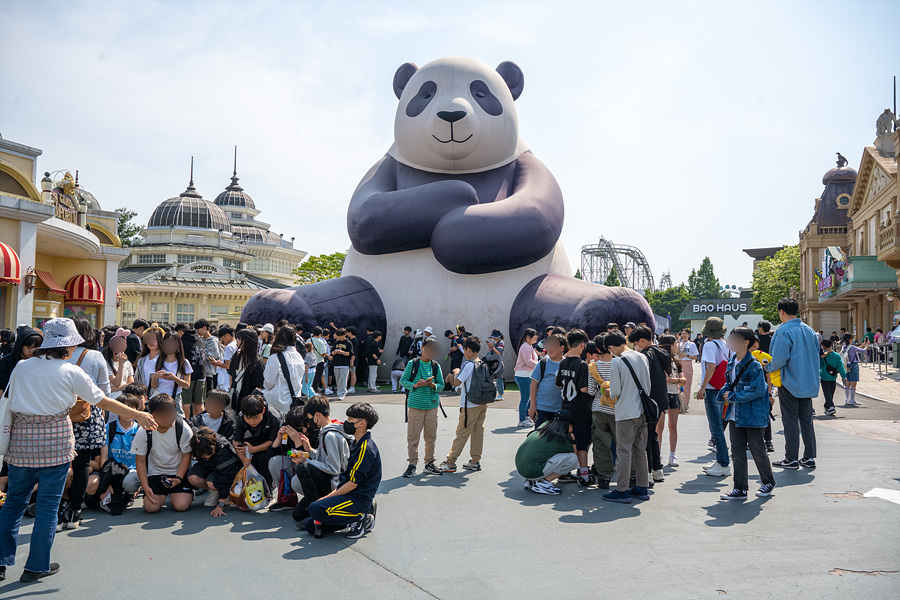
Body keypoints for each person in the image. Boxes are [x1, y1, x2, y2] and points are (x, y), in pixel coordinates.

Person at [0, 319, 155, 583]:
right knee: (49, 506)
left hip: (21, 440)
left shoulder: (22, 366)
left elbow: (9, 399)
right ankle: (36, 566)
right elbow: (102, 400)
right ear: (69, 345)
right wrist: (137, 413)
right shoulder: (71, 371)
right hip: (56, 440)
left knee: (14, 503)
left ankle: (1, 562)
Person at [302, 402, 382, 539]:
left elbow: (353, 483)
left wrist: (326, 498)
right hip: (349, 494)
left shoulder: (365, 448)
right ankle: (354, 519)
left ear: (361, 423)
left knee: (315, 509)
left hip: (357, 498)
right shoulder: (356, 443)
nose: (346, 422)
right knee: (311, 525)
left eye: (350, 420)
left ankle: (360, 516)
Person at [62, 317, 111, 530]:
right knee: (81, 464)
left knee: (59, 463)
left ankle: (59, 507)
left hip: (61, 414)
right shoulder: (95, 356)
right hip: (88, 414)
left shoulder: (57, 356)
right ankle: (75, 509)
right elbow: (105, 391)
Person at [719, 327, 777, 500]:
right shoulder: (731, 361)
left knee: (758, 450)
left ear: (746, 342)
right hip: (735, 414)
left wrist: (734, 396)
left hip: (752, 415)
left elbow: (758, 390)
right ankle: (740, 488)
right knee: (737, 452)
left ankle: (768, 481)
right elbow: (729, 384)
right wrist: (723, 392)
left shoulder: (754, 365)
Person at [767, 298, 820, 470]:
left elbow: (780, 359)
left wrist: (767, 366)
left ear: (781, 311)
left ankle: (791, 458)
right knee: (806, 421)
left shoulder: (783, 331)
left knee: (790, 421)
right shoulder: (809, 330)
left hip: (790, 382)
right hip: (808, 381)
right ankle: (809, 457)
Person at [602, 331, 651, 503]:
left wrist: (607, 390)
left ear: (611, 347)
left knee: (623, 452)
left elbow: (615, 391)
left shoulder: (617, 361)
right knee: (640, 451)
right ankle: (642, 487)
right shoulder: (641, 356)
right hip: (643, 411)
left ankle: (622, 489)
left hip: (625, 413)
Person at [286, 397, 352, 522]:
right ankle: (315, 507)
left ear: (317, 415)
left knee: (302, 468)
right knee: (297, 515)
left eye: (310, 418)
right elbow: (325, 459)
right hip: (328, 478)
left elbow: (333, 468)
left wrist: (306, 461)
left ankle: (316, 507)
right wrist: (310, 452)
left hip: (335, 482)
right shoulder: (325, 431)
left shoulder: (331, 436)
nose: (310, 422)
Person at [131, 394, 194, 514]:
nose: (170, 417)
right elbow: (140, 461)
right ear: (153, 415)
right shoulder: (144, 431)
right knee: (151, 507)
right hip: (155, 473)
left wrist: (179, 478)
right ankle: (163, 495)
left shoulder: (182, 428)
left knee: (181, 506)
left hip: (178, 473)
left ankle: (187, 492)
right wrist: (145, 486)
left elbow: (187, 455)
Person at [440, 336, 489, 473]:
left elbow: (457, 382)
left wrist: (455, 372)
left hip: (469, 405)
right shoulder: (483, 364)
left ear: (467, 349)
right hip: (482, 402)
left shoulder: (468, 365)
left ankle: (450, 462)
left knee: (462, 433)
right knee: (478, 432)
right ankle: (475, 461)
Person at [629, 325, 668, 484]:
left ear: (642, 341)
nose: (635, 347)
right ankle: (657, 469)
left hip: (648, 400)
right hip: (660, 400)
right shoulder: (662, 352)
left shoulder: (645, 356)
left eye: (636, 343)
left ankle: (649, 472)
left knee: (645, 437)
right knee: (652, 435)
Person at [400, 338, 444, 477]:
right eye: (429, 348)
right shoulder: (413, 363)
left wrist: (433, 385)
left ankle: (429, 463)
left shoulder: (436, 366)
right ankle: (412, 464)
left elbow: (441, 385)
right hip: (415, 406)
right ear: (423, 348)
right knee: (413, 437)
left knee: (430, 437)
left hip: (432, 406)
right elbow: (403, 380)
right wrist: (414, 385)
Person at [555, 329, 593, 486]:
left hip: (565, 409)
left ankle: (564, 472)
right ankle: (584, 474)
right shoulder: (582, 365)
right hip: (580, 410)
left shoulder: (563, 362)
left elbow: (558, 384)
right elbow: (584, 389)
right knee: (582, 444)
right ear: (583, 345)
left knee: (568, 443)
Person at [697, 317, 732, 477]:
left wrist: (703, 387)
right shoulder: (726, 344)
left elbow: (711, 366)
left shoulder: (709, 345)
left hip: (712, 389)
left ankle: (723, 463)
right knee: (719, 425)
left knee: (716, 427)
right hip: (724, 387)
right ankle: (720, 460)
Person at [515, 410, 579, 495]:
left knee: (546, 453)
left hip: (522, 468)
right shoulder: (560, 439)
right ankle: (543, 483)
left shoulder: (545, 425)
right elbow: (574, 453)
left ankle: (531, 480)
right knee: (572, 459)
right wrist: (573, 439)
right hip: (531, 471)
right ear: (568, 424)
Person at [187, 426, 244, 516]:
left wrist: (220, 505)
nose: (206, 456)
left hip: (229, 470)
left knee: (211, 483)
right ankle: (214, 491)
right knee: (193, 477)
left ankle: (223, 493)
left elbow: (227, 478)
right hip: (209, 465)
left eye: (209, 453)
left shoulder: (222, 452)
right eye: (202, 455)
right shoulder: (195, 439)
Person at [101, 394, 143, 514]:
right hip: (113, 471)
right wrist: (106, 481)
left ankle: (130, 492)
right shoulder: (109, 428)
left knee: (129, 483)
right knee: (93, 485)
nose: (127, 411)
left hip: (133, 471)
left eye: (131, 407)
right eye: (123, 407)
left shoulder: (140, 429)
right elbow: (104, 457)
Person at [233, 393, 283, 489]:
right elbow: (236, 440)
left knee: (263, 459)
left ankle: (269, 488)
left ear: (263, 410)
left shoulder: (273, 417)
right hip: (254, 440)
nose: (252, 422)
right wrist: (243, 458)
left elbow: (272, 441)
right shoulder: (241, 417)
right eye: (248, 418)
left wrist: (253, 450)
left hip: (274, 443)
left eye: (256, 417)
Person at [587, 334, 615, 489]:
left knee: (601, 444)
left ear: (597, 349)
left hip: (599, 408)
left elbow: (591, 391)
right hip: (618, 409)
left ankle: (604, 477)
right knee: (623, 444)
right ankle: (631, 475)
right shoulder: (619, 363)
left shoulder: (593, 366)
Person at [657, 334, 686, 468]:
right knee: (660, 426)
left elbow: (682, 379)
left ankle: (672, 454)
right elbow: (665, 379)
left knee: (673, 426)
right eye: (675, 343)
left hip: (674, 394)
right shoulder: (659, 360)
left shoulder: (676, 361)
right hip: (662, 393)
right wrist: (679, 381)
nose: (677, 346)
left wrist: (678, 380)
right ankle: (658, 454)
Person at [263, 325, 305, 414]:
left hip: (277, 405)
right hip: (294, 402)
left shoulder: (275, 357)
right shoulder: (299, 357)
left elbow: (269, 383)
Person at [528, 333, 567, 429]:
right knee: (541, 438)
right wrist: (532, 405)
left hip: (561, 409)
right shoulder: (543, 363)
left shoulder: (567, 364)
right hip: (542, 409)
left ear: (562, 348)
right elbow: (534, 384)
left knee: (558, 439)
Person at [151, 332, 192, 418]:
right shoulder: (158, 361)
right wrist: (155, 377)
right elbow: (154, 386)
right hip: (159, 396)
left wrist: (175, 379)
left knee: (178, 419)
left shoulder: (184, 363)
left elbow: (187, 385)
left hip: (175, 397)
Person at [227, 329, 265, 413]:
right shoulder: (236, 356)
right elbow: (231, 374)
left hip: (248, 402)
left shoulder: (256, 362)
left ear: (247, 341)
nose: (236, 341)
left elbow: (259, 386)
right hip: (235, 397)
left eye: (239, 339)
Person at [0, 325, 42, 390]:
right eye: (29, 348)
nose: (32, 351)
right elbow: (2, 386)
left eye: (36, 348)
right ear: (20, 346)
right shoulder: (6, 361)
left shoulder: (41, 361)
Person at [514, 328, 539, 428]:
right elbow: (528, 362)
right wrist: (540, 364)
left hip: (526, 375)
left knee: (528, 398)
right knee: (525, 399)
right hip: (523, 375)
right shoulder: (526, 347)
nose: (536, 337)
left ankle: (526, 417)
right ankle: (522, 420)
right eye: (534, 336)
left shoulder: (528, 346)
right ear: (528, 337)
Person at [103, 329, 134, 400]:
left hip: (125, 399)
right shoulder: (106, 363)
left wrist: (115, 388)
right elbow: (117, 382)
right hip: (111, 399)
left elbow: (131, 384)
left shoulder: (127, 363)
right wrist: (121, 364)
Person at [819, 339, 846, 417]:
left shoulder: (822, 356)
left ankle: (829, 407)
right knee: (831, 393)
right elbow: (840, 366)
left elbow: (820, 365)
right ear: (831, 345)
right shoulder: (836, 355)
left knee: (827, 393)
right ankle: (830, 406)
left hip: (824, 377)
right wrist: (844, 376)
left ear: (823, 346)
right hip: (833, 377)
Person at [133, 324, 163, 394]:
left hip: (159, 396)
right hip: (143, 396)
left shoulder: (164, 359)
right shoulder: (141, 360)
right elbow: (136, 379)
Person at [195, 319, 222, 394]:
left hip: (209, 374)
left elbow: (212, 355)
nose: (197, 331)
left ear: (204, 327)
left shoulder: (213, 340)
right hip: (200, 373)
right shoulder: (199, 339)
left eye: (198, 329)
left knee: (208, 396)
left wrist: (200, 351)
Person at [841, 334, 867, 406]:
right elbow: (864, 351)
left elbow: (854, 349)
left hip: (846, 366)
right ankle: (852, 400)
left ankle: (847, 399)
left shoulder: (844, 347)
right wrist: (867, 345)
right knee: (853, 383)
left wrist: (863, 344)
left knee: (847, 383)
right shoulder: (852, 347)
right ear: (850, 339)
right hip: (853, 365)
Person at [330, 328, 354, 400]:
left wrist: (341, 352)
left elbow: (350, 353)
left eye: (341, 336)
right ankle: (343, 391)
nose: (339, 337)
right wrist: (334, 352)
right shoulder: (336, 342)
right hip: (336, 363)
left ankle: (341, 394)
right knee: (338, 379)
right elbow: (332, 352)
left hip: (344, 364)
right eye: (338, 336)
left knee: (343, 379)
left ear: (345, 335)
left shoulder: (348, 343)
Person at [676, 329, 698, 410]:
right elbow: (676, 353)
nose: (684, 335)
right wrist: (678, 342)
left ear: (688, 335)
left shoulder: (691, 344)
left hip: (687, 363)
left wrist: (687, 355)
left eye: (685, 333)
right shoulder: (679, 344)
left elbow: (695, 356)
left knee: (686, 385)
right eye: (682, 334)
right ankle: (679, 402)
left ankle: (686, 403)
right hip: (679, 363)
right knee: (678, 384)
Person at [485, 329, 505, 400]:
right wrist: (490, 347)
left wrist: (492, 346)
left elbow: (499, 352)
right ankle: (493, 393)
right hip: (493, 362)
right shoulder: (494, 342)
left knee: (499, 378)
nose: (493, 338)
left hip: (498, 362)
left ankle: (501, 394)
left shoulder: (501, 343)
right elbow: (491, 351)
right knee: (491, 377)